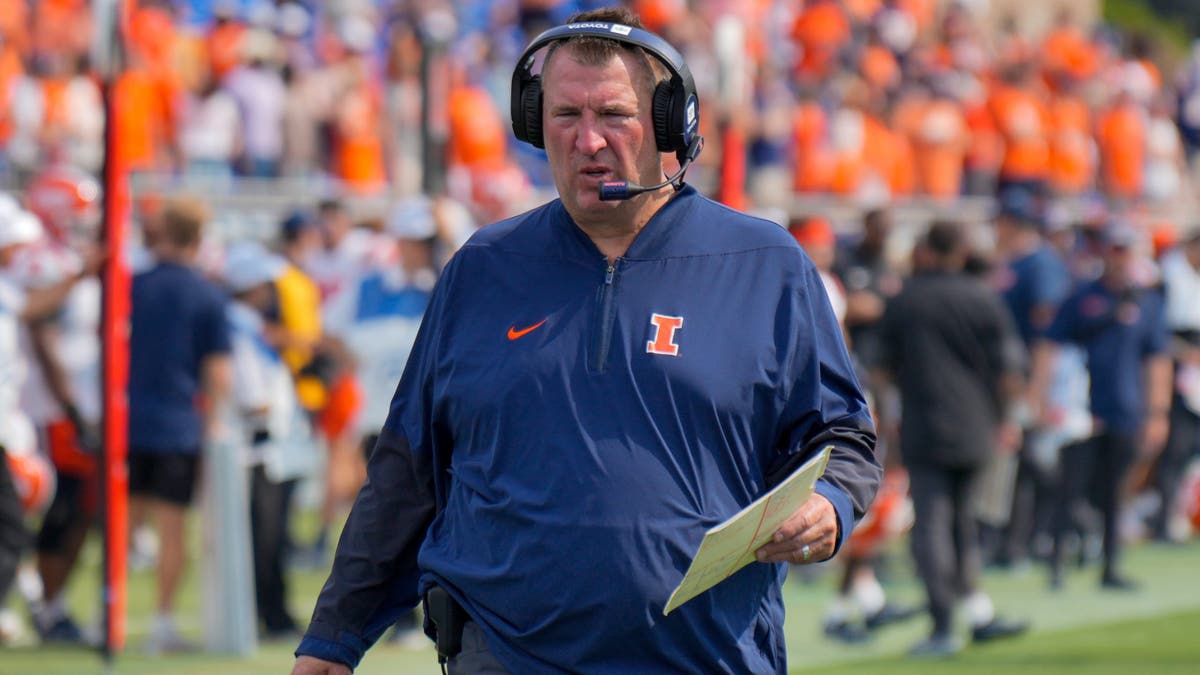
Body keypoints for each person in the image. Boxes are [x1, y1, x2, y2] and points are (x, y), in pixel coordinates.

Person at [292, 8, 879, 674]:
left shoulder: (764, 262)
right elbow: (406, 473)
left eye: (615, 116)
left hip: (706, 658)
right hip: (505, 657)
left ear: (669, 127)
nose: (589, 140)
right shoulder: (483, 268)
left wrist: (827, 507)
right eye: (566, 116)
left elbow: (844, 437)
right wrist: (332, 640)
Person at [877, 221, 1030, 657]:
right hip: (978, 424)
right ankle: (974, 611)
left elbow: (881, 370)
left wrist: (888, 418)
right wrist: (1008, 419)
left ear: (926, 250)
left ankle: (944, 622)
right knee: (963, 522)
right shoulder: (983, 297)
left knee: (932, 526)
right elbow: (1009, 371)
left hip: (925, 423)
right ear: (961, 251)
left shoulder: (906, 300)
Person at [1035, 224, 1172, 590]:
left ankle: (1110, 566)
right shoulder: (1083, 296)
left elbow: (1157, 360)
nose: (1120, 258)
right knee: (1070, 487)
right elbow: (1051, 347)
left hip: (1126, 407)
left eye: (1126, 250)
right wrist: (1042, 398)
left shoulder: (1147, 302)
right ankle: (1058, 564)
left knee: (1115, 491)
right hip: (1082, 411)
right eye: (1115, 249)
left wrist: (1157, 412)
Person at [127, 197, 232, 654]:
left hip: (127, 420)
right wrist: (217, 424)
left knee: (123, 527)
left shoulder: (133, 285)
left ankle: (108, 615)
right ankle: (162, 623)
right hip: (176, 424)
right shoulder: (206, 293)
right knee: (173, 532)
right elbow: (218, 372)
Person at [223, 241, 317, 640]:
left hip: (268, 446)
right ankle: (270, 615)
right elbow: (253, 396)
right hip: (257, 445)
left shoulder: (246, 324)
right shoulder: (238, 325)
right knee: (265, 538)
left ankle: (273, 612)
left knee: (271, 535)